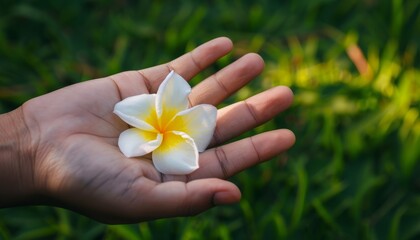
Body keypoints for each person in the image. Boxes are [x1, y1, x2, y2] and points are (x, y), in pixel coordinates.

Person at [0, 37, 295, 223]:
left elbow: (188, 127)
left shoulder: (174, 116)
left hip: (168, 134)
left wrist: (29, 144)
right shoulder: (133, 134)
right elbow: (129, 125)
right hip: (156, 132)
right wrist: (29, 145)